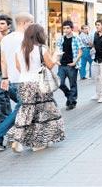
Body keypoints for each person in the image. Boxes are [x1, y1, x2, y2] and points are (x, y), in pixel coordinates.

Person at [6, 24, 65, 152]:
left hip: (24, 83)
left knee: (25, 110)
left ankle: (17, 139)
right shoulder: (41, 49)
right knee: (42, 111)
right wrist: (55, 56)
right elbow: (49, 65)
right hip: (39, 83)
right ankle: (38, 143)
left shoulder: (20, 49)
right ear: (39, 34)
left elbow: (18, 67)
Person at [0, 12, 34, 151]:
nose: (32, 26)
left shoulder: (6, 39)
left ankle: (11, 138)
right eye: (31, 23)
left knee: (24, 107)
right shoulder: (25, 38)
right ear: (24, 23)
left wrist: (5, 78)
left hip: (12, 79)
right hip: (23, 79)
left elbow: (3, 60)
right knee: (22, 108)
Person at [56, 20, 83, 111]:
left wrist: (75, 62)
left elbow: (80, 52)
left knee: (73, 84)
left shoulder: (76, 38)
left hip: (72, 65)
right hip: (62, 65)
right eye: (64, 28)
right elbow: (58, 51)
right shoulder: (61, 39)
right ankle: (69, 96)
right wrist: (57, 60)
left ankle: (72, 102)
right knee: (60, 83)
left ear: (71, 29)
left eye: (68, 28)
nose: (66, 30)